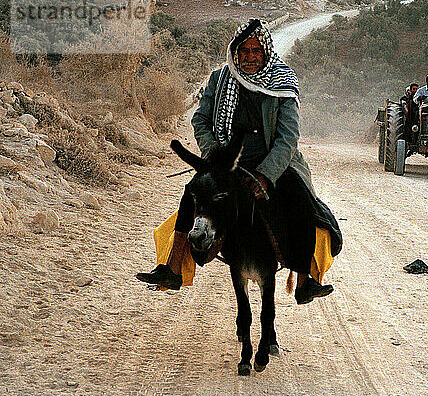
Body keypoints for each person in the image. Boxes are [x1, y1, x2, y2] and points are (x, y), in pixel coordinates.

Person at [136, 19, 342, 305]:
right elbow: (201, 119)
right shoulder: (220, 78)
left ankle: (307, 279)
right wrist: (212, 155)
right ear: (235, 51)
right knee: (193, 192)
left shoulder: (283, 82)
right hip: (228, 161)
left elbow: (288, 139)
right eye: (244, 50)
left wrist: (266, 175)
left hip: (274, 162)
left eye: (256, 50)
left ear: (265, 52)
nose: (249, 56)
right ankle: (172, 267)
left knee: (300, 198)